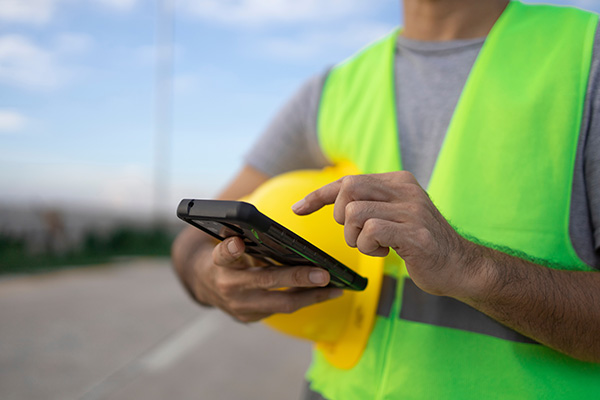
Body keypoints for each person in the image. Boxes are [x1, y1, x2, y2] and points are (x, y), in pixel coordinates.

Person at [172, 0, 600, 398]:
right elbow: (191, 244)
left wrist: (471, 267)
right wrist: (211, 280)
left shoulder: (586, 57)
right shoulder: (330, 91)